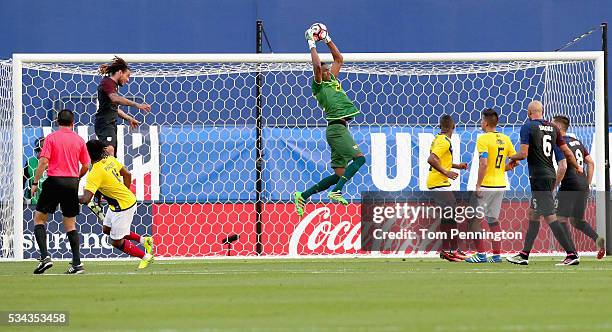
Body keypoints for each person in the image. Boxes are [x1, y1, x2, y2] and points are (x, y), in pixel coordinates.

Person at [293, 25, 366, 216]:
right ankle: (336, 192)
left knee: (339, 175)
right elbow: (317, 66)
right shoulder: (319, 87)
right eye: (325, 71)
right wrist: (311, 43)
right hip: (336, 129)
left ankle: (303, 195)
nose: (327, 72)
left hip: (339, 129)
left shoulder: (332, 80)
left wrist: (326, 39)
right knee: (360, 159)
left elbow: (339, 59)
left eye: (327, 71)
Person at [506, 101, 583, 266]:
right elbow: (567, 152)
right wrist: (577, 166)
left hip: (539, 178)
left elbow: (523, 154)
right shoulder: (553, 128)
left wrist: (511, 157)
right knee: (533, 214)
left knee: (550, 217)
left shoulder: (528, 127)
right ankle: (524, 254)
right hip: (549, 176)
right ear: (542, 112)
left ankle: (571, 253)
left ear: (529, 113)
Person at [89, 56, 151, 219]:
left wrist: (128, 118)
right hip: (104, 125)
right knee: (108, 155)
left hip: (110, 124)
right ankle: (96, 199)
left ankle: (100, 199)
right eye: (127, 76)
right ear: (119, 72)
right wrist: (137, 104)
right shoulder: (108, 84)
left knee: (109, 160)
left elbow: (112, 107)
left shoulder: (111, 85)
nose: (128, 79)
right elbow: (115, 100)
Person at [31, 109, 90, 274]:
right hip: (71, 183)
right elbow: (86, 165)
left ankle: (45, 258)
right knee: (70, 224)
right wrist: (76, 178)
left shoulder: (51, 138)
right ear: (73, 123)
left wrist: (35, 182)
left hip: (54, 181)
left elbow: (43, 162)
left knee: (39, 219)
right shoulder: (79, 140)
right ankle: (77, 263)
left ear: (57, 122)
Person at [79, 139, 154, 269]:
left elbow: (86, 199)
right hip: (118, 204)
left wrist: (67, 197)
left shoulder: (95, 173)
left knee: (116, 242)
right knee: (106, 229)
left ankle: (146, 257)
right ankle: (144, 240)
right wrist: (124, 192)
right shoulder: (110, 159)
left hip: (124, 207)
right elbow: (127, 174)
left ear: (89, 154)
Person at [465, 109, 519, 263]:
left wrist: (478, 185)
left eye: (482, 120)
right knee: (493, 220)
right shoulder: (506, 138)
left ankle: (481, 255)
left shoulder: (483, 139)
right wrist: (504, 167)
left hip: (487, 185)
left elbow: (483, 163)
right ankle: (496, 255)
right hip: (500, 184)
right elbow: (515, 161)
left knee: (474, 219)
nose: (481, 123)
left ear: (486, 122)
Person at [552, 115, 605, 259]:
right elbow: (591, 162)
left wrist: (554, 185)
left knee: (560, 218)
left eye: (552, 124)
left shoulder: (559, 143)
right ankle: (597, 239)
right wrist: (586, 184)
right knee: (577, 220)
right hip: (582, 185)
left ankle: (572, 253)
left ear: (558, 126)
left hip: (569, 184)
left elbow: (562, 167)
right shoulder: (577, 141)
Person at [426, 115, 469, 262]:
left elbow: (440, 160)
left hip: (437, 182)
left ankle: (446, 250)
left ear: (440, 127)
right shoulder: (444, 142)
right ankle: (453, 250)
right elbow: (431, 159)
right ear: (454, 126)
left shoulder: (438, 139)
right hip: (439, 182)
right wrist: (447, 172)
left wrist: (457, 166)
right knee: (451, 214)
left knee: (447, 216)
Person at [24, 137, 46, 205]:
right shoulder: (30, 162)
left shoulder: (56, 162)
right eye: (42, 147)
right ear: (38, 149)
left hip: (53, 203)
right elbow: (23, 179)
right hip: (34, 203)